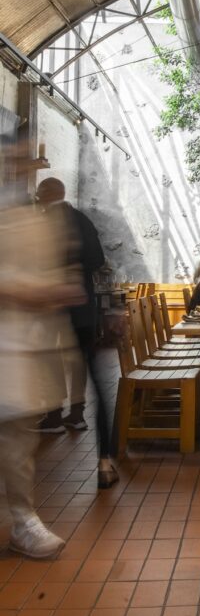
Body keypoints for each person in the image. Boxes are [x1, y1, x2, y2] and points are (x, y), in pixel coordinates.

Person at [0, 147, 84, 557]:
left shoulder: (30, 219)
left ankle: (22, 521)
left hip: (18, 347)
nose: (21, 170)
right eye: (14, 162)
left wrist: (55, 287)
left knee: (18, 440)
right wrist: (35, 290)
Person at [35, 178, 120, 490]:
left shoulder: (40, 222)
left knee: (50, 361)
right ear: (64, 192)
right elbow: (99, 261)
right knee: (89, 372)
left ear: (44, 195)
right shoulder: (82, 219)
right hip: (83, 309)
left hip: (49, 309)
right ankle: (100, 453)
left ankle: (55, 415)